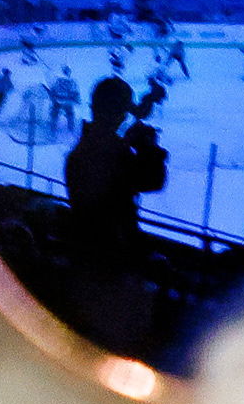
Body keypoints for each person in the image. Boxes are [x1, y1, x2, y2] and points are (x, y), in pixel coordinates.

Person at [64, 78, 168, 264]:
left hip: (88, 245)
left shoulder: (84, 148)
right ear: (120, 114)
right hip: (112, 253)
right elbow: (153, 181)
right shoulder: (114, 154)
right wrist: (148, 148)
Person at [50, 67, 80, 132]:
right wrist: (77, 100)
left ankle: (53, 127)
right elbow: (75, 92)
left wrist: (53, 98)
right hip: (67, 102)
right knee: (70, 114)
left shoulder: (58, 80)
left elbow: (53, 90)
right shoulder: (72, 82)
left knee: (54, 114)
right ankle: (71, 128)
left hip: (58, 101)